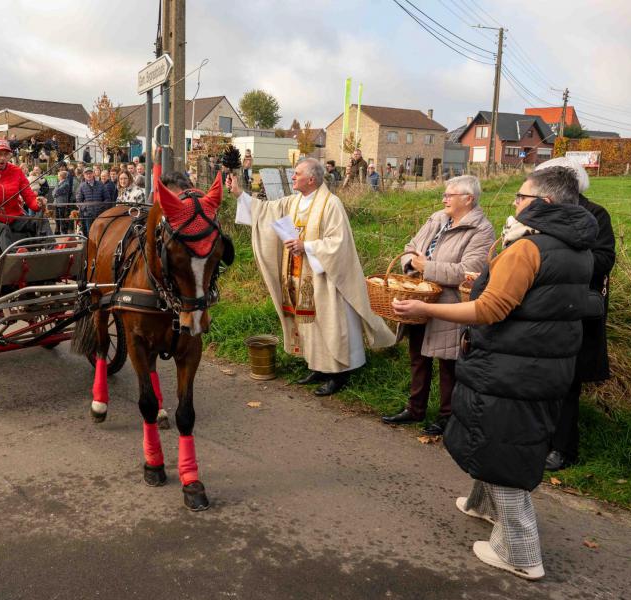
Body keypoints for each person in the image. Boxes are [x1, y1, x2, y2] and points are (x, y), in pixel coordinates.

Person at [392, 167, 598, 580]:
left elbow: (489, 308)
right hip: (544, 362)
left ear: (545, 204)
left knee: (503, 448)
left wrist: (426, 309)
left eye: (521, 198)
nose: (514, 204)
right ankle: (481, 506)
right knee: (497, 437)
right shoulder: (577, 248)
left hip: (512, 364)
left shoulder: (529, 249)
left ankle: (522, 553)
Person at [228, 157, 395, 395]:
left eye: (297, 173)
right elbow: (265, 211)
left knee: (330, 322)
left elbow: (339, 243)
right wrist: (239, 194)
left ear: (312, 179)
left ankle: (339, 372)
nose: (293, 177)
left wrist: (306, 246)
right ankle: (318, 367)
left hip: (326, 276)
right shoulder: (294, 202)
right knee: (309, 323)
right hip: (300, 275)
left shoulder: (331, 204)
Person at [382, 175, 495, 435]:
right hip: (419, 295)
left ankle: (448, 416)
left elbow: (471, 271)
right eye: (445, 194)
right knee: (417, 355)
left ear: (468, 199)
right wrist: (412, 264)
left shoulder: (481, 230)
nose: (444, 198)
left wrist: (427, 267)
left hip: (450, 305)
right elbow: (411, 246)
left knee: (449, 362)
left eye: (450, 195)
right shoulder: (437, 218)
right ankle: (414, 408)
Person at [534, 158, 616, 471]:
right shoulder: (542, 210)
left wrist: (559, 256)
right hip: (543, 305)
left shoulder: (595, 214)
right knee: (541, 377)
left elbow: (603, 260)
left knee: (568, 381)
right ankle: (539, 439)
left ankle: (564, 448)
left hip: (575, 308)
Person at [75, 165, 110, 236]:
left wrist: (102, 207)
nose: (88, 175)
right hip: (88, 215)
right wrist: (85, 208)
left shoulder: (101, 184)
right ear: (84, 175)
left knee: (100, 233)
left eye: (90, 173)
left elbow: (107, 198)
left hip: (100, 214)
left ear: (93, 174)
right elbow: (79, 200)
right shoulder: (82, 186)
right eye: (86, 174)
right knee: (89, 233)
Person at [52, 170, 73, 234]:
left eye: (58, 175)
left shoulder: (66, 184)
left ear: (62, 176)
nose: (58, 177)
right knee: (56, 217)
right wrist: (55, 193)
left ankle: (63, 231)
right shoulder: (58, 183)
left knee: (62, 217)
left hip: (62, 203)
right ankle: (57, 230)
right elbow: (53, 192)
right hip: (56, 202)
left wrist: (55, 193)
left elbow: (57, 191)